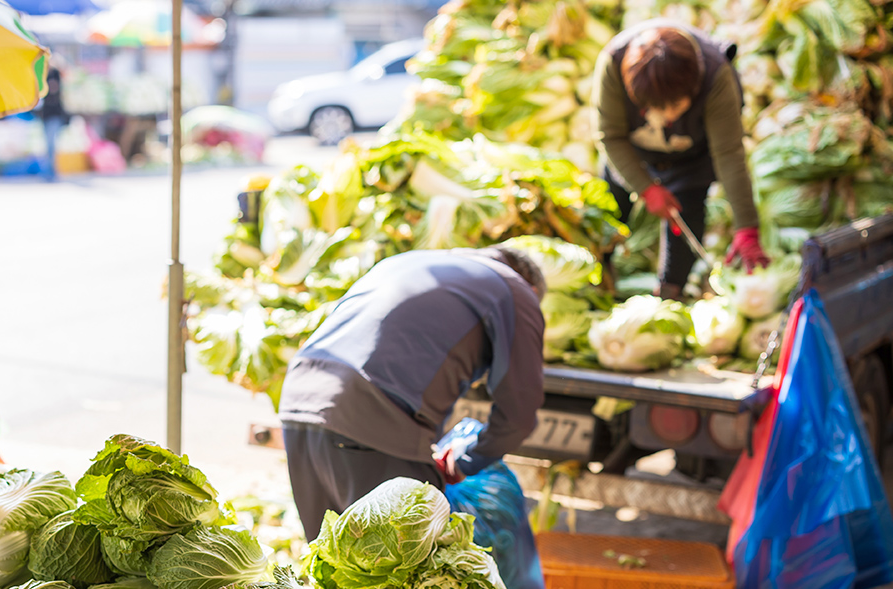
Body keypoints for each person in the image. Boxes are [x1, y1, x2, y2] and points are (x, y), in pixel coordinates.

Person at [276, 247, 547, 540]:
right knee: (402, 572)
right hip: (372, 412)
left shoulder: (409, 260)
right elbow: (518, 414)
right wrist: (467, 460)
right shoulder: (513, 289)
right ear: (531, 287)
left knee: (331, 565)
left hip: (300, 399)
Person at [592, 20, 770, 300]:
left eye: (675, 107)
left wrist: (746, 226)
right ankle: (597, 275)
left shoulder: (717, 77)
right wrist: (645, 188)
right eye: (655, 108)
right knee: (610, 211)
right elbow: (610, 137)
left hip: (692, 158)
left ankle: (669, 294)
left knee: (687, 217)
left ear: (695, 87)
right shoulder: (613, 65)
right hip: (632, 151)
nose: (667, 118)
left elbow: (728, 154)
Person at [39, 63, 69, 182]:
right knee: (47, 144)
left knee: (51, 144)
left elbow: (55, 89)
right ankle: (49, 170)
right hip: (45, 115)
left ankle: (52, 171)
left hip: (55, 114)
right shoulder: (41, 74)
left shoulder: (56, 73)